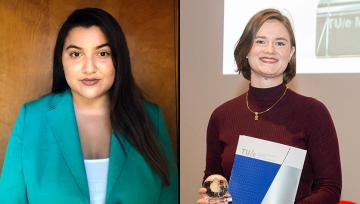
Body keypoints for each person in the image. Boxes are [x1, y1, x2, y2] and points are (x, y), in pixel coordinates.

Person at [0, 8, 178, 204]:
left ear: (118, 59)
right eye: (76, 54)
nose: (89, 68)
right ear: (61, 60)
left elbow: (169, 196)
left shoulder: (151, 118)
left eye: (102, 53)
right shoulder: (31, 119)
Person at [197, 9, 341, 204]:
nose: (270, 50)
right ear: (246, 50)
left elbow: (329, 189)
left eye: (280, 43)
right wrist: (211, 199)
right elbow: (214, 180)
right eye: (260, 41)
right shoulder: (221, 116)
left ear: (290, 53)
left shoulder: (313, 113)